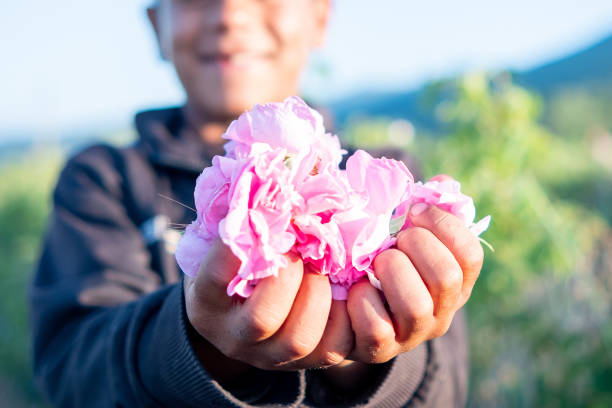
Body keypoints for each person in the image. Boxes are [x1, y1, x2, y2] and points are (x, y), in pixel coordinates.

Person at [30, 0, 483, 406]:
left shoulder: (388, 185)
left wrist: (366, 359)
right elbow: (73, 371)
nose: (230, 14)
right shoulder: (104, 180)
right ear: (155, 25)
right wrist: (201, 344)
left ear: (320, 17)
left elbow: (445, 390)